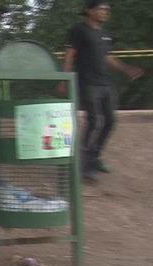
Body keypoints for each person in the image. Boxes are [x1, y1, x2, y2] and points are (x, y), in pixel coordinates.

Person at [58, 0, 144, 182]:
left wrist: (126, 69)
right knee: (94, 119)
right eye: (102, 8)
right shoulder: (79, 31)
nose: (106, 12)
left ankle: (94, 157)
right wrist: (63, 80)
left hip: (104, 83)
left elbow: (107, 58)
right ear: (89, 10)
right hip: (87, 83)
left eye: (107, 9)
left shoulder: (104, 33)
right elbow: (69, 55)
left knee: (111, 120)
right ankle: (83, 164)